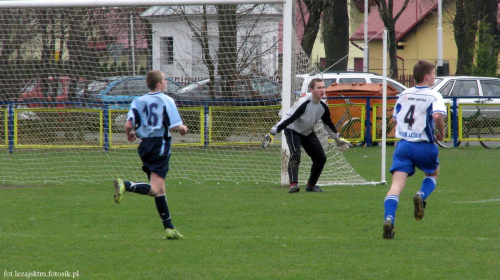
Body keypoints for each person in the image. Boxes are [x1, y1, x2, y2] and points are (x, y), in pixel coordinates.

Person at [113, 70, 188, 240]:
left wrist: (130, 134)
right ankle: (126, 184)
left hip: (144, 146)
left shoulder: (138, 101)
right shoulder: (166, 100)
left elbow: (128, 125)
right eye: (165, 81)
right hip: (159, 145)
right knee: (155, 188)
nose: (166, 84)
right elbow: (177, 125)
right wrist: (183, 129)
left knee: (160, 189)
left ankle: (169, 228)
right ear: (159, 85)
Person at [382, 60, 446, 239]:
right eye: (433, 74)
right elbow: (437, 115)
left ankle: (389, 219)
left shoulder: (403, 94)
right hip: (423, 145)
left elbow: (395, 119)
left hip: (403, 146)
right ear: (426, 76)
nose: (434, 77)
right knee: (433, 174)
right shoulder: (434, 95)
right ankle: (420, 194)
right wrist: (441, 131)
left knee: (396, 185)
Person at [262, 78, 350, 193]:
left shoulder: (323, 106)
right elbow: (289, 118)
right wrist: (273, 131)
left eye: (323, 87)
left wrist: (337, 138)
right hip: (293, 130)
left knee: (321, 158)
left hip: (308, 132)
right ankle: (293, 185)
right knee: (295, 156)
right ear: (311, 90)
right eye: (319, 87)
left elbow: (328, 124)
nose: (322, 90)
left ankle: (311, 186)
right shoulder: (303, 103)